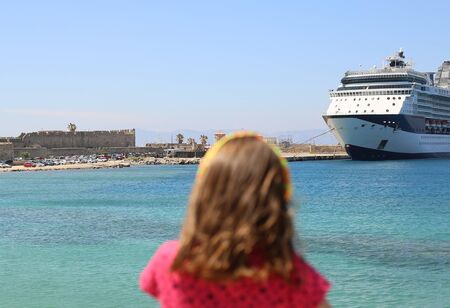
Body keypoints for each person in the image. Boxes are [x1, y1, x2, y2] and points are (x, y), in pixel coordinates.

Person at [140, 131, 331, 307]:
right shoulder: (294, 277)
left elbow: (151, 284)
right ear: (280, 199)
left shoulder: (171, 262)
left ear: (203, 194)